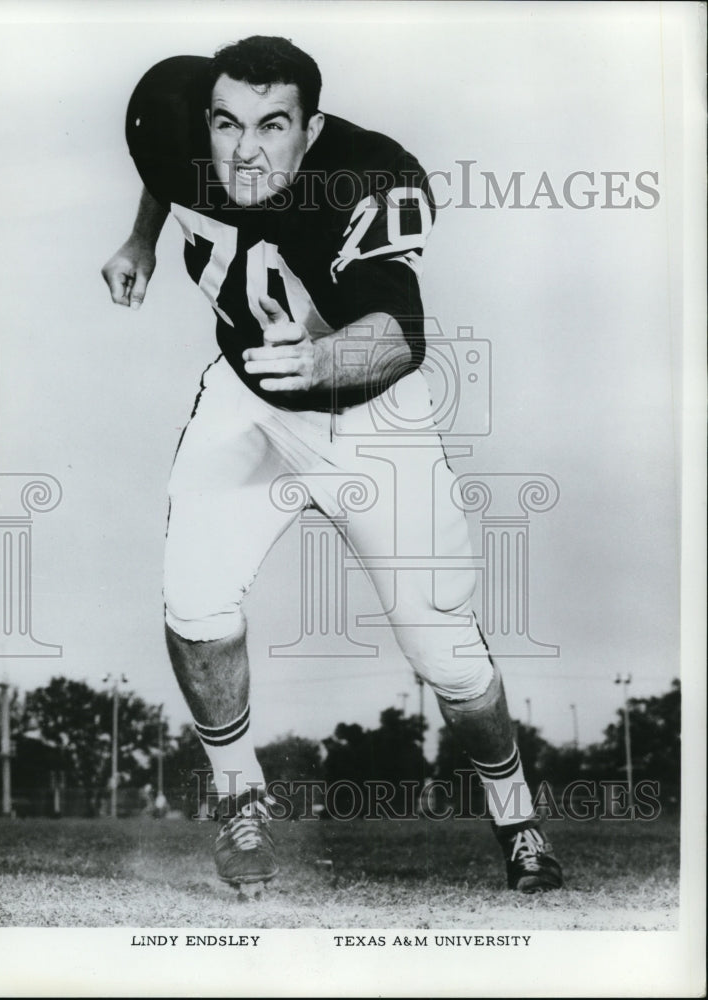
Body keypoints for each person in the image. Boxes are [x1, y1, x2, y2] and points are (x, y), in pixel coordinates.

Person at [101, 35, 563, 894]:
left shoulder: (369, 176)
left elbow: (400, 336)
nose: (244, 150)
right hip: (248, 400)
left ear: (310, 130)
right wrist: (141, 241)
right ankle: (240, 800)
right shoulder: (176, 121)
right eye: (227, 124)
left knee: (447, 656)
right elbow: (165, 168)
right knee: (194, 600)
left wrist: (320, 364)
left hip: (369, 416)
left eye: (272, 127)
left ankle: (517, 817)